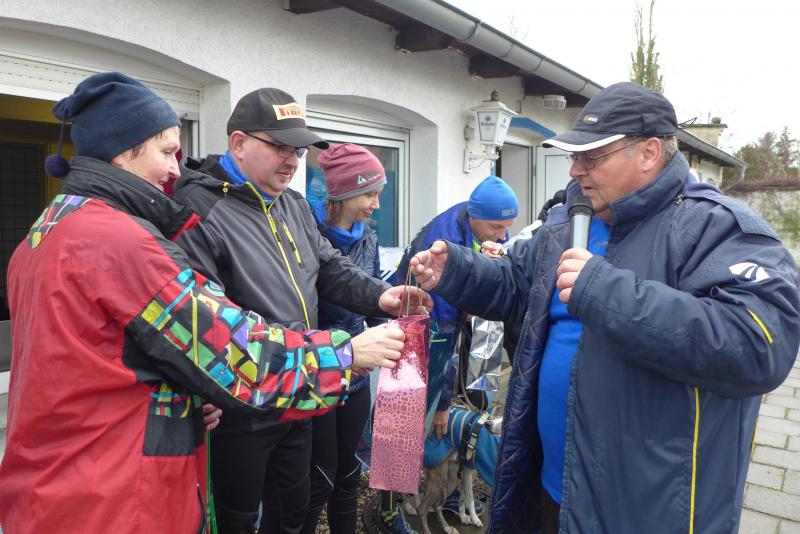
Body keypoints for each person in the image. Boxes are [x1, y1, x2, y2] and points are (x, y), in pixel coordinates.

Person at [0, 72, 418, 534]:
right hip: (112, 493)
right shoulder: (119, 243)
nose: (175, 170)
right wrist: (347, 354)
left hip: (62, 479)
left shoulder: (49, 229)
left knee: (293, 506)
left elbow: (99, 359)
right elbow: (234, 353)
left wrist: (179, 396)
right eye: (166, 152)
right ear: (121, 150)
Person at [410, 82, 800, 533]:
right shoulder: (567, 221)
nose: (575, 169)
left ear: (649, 153)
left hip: (645, 510)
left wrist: (603, 290)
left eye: (592, 157)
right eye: (575, 156)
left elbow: (757, 346)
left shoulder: (717, 228)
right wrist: (458, 272)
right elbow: (517, 286)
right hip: (551, 488)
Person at [172, 89, 425, 534]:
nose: (292, 162)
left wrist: (381, 296)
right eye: (281, 148)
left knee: (295, 507)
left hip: (300, 388)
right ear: (238, 144)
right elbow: (200, 318)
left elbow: (328, 267)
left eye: (299, 151)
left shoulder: (291, 204)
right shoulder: (197, 208)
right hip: (240, 402)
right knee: (237, 519)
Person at [376, 175, 518, 533]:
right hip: (415, 329)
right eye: (496, 227)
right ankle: (388, 511)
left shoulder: (474, 222)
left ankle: (447, 492)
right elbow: (440, 339)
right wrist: (441, 404)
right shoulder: (443, 242)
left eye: (507, 227)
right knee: (403, 423)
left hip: (444, 327)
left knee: (452, 409)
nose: (503, 235)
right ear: (475, 215)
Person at [300, 143, 388, 534]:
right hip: (319, 368)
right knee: (319, 476)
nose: (376, 205)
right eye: (370, 194)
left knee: (349, 471)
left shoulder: (368, 235)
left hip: (359, 372)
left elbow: (372, 292)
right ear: (345, 193)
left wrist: (394, 325)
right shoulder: (309, 235)